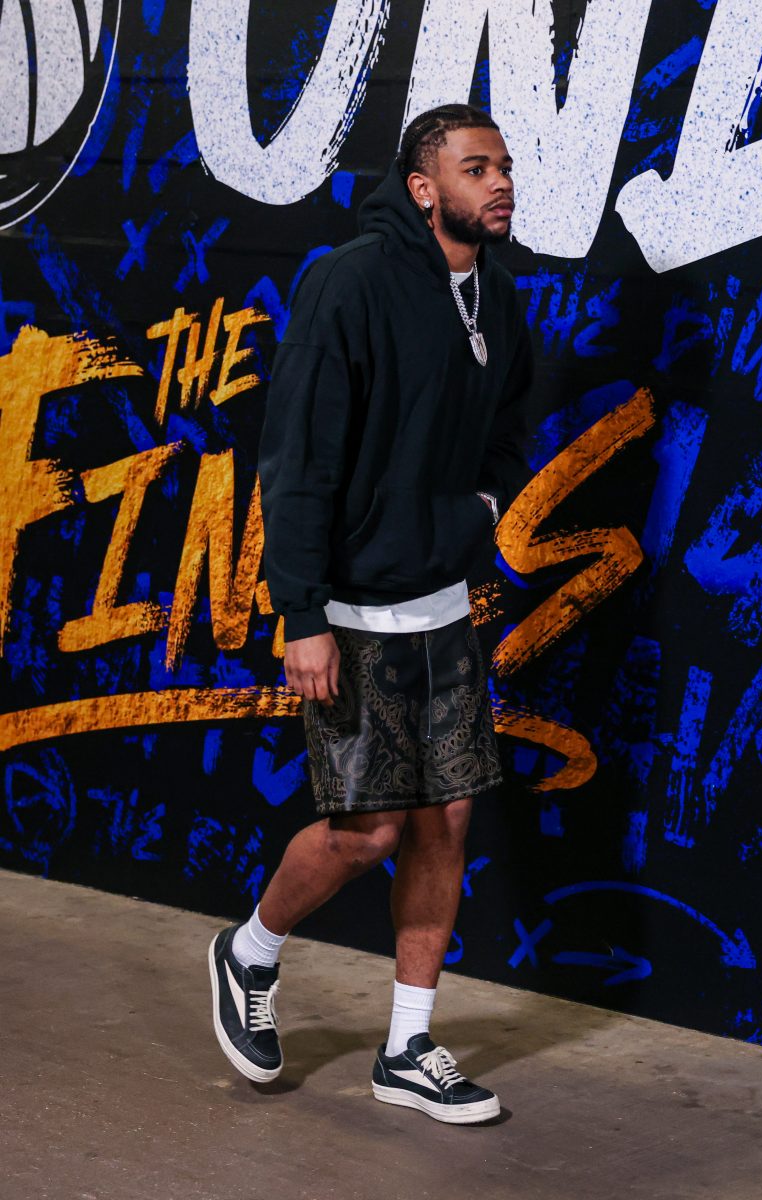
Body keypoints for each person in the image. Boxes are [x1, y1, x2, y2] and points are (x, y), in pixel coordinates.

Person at [209, 103, 533, 1125]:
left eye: (504, 166)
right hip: (350, 612)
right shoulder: (350, 282)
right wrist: (300, 611)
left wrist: (481, 509)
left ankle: (407, 1046)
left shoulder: (493, 295)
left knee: (446, 820)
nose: (500, 182)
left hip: (442, 607)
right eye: (475, 168)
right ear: (424, 187)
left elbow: (508, 425)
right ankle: (249, 951)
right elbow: (296, 458)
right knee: (368, 831)